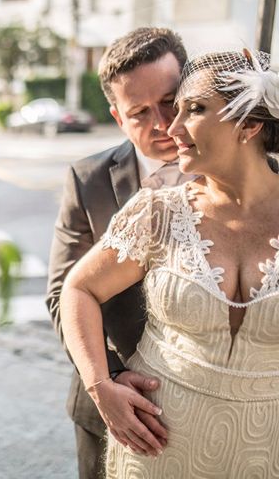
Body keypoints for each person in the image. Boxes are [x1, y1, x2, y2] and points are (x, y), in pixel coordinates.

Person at [60, 49, 279, 477]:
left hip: (266, 447)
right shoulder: (157, 212)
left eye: (193, 109)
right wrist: (101, 385)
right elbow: (77, 288)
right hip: (155, 448)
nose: (171, 127)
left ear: (250, 124)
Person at [46, 27, 189, 477]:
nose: (162, 123)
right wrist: (105, 380)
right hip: (112, 404)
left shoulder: (247, 170)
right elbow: (60, 294)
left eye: (170, 101)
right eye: (140, 113)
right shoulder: (87, 180)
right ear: (117, 117)